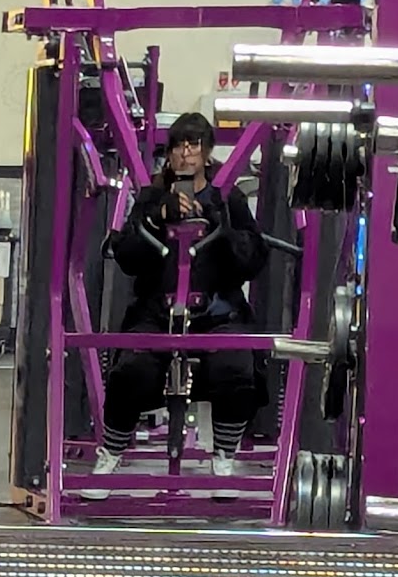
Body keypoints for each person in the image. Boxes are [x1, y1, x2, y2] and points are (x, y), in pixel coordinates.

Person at [82, 111, 268, 500]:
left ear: (207, 152)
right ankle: (110, 454)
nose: (186, 153)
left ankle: (224, 457)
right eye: (179, 146)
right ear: (169, 154)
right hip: (157, 312)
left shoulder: (228, 198)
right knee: (130, 370)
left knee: (236, 367)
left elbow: (252, 260)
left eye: (194, 145)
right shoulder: (151, 197)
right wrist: (155, 218)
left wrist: (219, 225)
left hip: (216, 312)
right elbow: (127, 258)